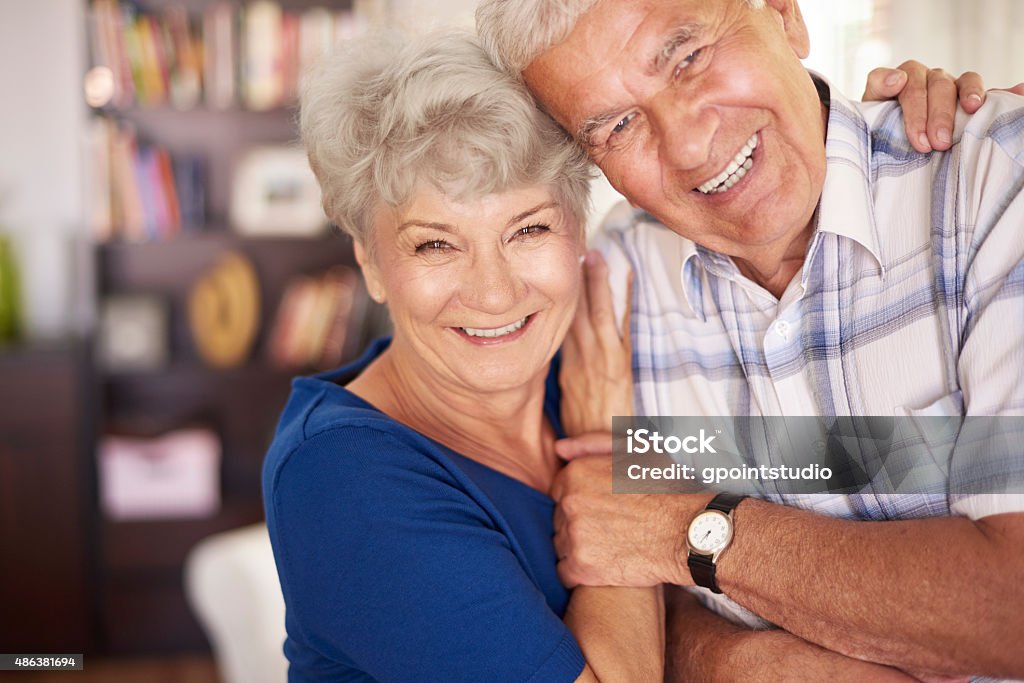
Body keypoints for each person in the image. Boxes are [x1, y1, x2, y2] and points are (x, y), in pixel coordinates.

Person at [475, 0, 1024, 680]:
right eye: (616, 126)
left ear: (785, 16)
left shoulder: (998, 179)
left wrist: (681, 532)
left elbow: (1013, 608)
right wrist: (748, 662)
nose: (687, 145)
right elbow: (592, 561)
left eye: (688, 59)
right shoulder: (609, 283)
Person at [262, 31, 663, 682]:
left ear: (578, 228)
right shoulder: (340, 477)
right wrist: (617, 465)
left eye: (528, 228)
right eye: (435, 245)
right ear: (370, 262)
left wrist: (882, 136)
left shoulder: (589, 366)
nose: (495, 292)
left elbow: (847, 459)